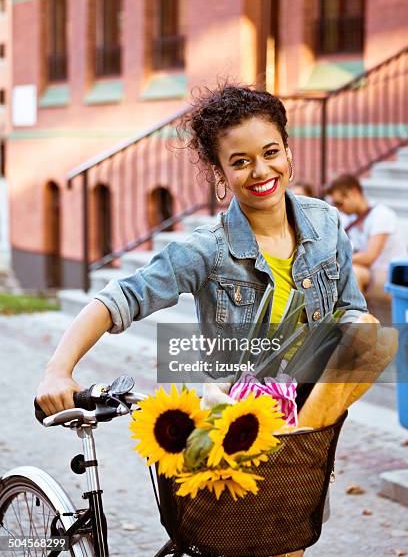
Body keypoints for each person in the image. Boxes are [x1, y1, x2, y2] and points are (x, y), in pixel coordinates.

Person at [37, 85, 368, 557]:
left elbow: (352, 313)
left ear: (288, 152)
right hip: (233, 430)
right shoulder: (207, 249)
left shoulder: (327, 225)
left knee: (289, 547)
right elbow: (121, 298)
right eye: (240, 161)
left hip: (304, 434)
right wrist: (57, 369)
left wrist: (327, 395)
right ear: (220, 173)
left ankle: (292, 453)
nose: (261, 171)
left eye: (271, 152)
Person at [325, 174, 406, 296]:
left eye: (340, 203)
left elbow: (369, 257)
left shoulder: (382, 215)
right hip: (371, 273)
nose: (338, 209)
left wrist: (333, 260)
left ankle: (354, 314)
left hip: (393, 276)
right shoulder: (349, 219)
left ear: (353, 192)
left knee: (353, 272)